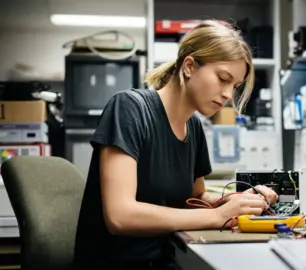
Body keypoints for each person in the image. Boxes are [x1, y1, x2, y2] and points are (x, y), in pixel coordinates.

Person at [73, 20, 279, 269]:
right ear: (190, 66)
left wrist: (237, 201)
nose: (228, 94)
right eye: (223, 79)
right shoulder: (129, 108)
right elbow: (120, 215)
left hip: (166, 258)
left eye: (234, 87)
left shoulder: (193, 126)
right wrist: (217, 216)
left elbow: (194, 197)